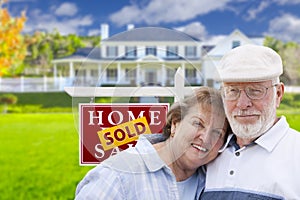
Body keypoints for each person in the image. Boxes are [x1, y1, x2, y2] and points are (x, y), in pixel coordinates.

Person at [75, 87, 229, 200]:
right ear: (175, 124)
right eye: (198, 123)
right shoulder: (118, 175)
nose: (206, 138)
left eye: (217, 133)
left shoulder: (211, 182)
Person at [201, 44, 300, 200]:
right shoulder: (208, 153)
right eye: (232, 91)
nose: (242, 104)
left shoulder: (296, 153)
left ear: (278, 94)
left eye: (255, 90)